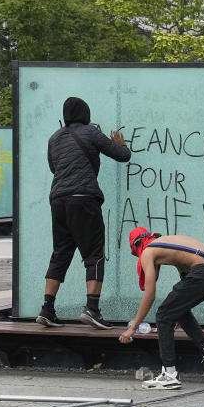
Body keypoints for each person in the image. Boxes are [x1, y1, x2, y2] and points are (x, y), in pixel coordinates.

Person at [36, 97, 131, 329]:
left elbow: (54, 167)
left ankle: (47, 309)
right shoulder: (91, 132)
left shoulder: (54, 138)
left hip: (58, 199)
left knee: (60, 253)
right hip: (84, 199)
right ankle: (92, 309)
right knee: (94, 253)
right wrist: (122, 144)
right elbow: (122, 156)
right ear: (86, 114)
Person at [120, 228, 204, 390]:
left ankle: (169, 374)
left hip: (203, 271)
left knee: (163, 315)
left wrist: (133, 328)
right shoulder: (166, 243)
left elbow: (150, 295)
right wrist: (179, 313)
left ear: (136, 246)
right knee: (175, 308)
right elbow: (185, 276)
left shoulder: (148, 252)